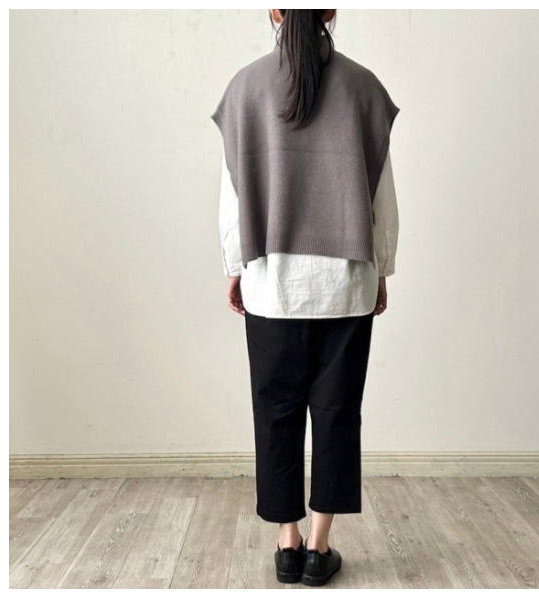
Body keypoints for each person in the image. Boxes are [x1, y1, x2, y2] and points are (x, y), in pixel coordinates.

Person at [212, 9, 400, 586]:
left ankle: (287, 542)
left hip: (272, 281)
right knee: (338, 412)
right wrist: (383, 266)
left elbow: (232, 193)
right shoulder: (364, 87)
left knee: (276, 412)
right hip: (346, 280)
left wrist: (234, 265)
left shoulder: (245, 86)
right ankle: (319, 548)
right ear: (332, 10)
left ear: (273, 10)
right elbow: (382, 193)